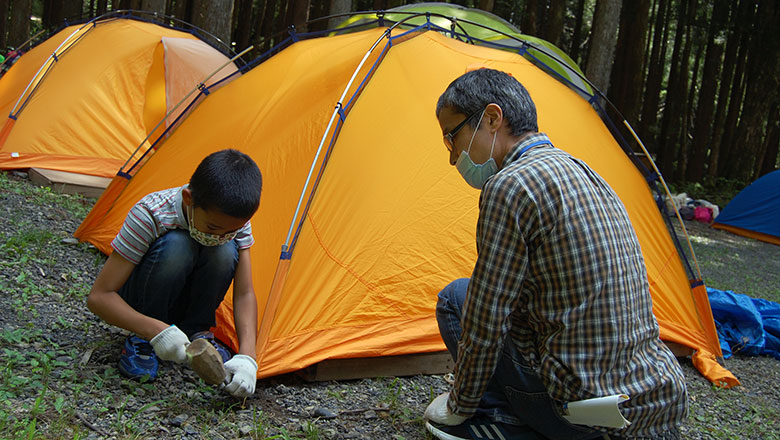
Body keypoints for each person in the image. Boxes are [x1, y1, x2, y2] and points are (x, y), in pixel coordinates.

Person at [423, 68, 688, 440]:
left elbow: (487, 317)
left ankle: (502, 420)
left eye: (453, 137)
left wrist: (460, 405)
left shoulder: (508, 185)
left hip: (582, 410)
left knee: (456, 300)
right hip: (645, 399)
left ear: (492, 118)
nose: (453, 158)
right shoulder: (584, 171)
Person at [87, 149, 262, 398]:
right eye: (213, 227)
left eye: (231, 230)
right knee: (177, 246)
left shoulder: (233, 222)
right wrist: (154, 330)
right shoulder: (151, 214)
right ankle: (142, 340)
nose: (220, 235)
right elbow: (99, 296)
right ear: (189, 199)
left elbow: (244, 293)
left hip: (188, 299)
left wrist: (248, 357)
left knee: (224, 251)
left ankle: (197, 333)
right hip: (143, 300)